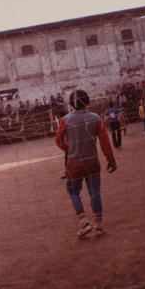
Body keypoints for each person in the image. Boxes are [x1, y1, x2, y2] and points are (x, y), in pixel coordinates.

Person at [55, 89, 117, 239]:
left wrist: (69, 149)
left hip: (75, 162)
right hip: (92, 161)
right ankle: (99, 226)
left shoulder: (66, 119)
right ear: (87, 101)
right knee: (94, 193)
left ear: (71, 103)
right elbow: (105, 143)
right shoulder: (95, 118)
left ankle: (84, 222)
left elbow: (58, 140)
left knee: (73, 192)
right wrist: (111, 160)